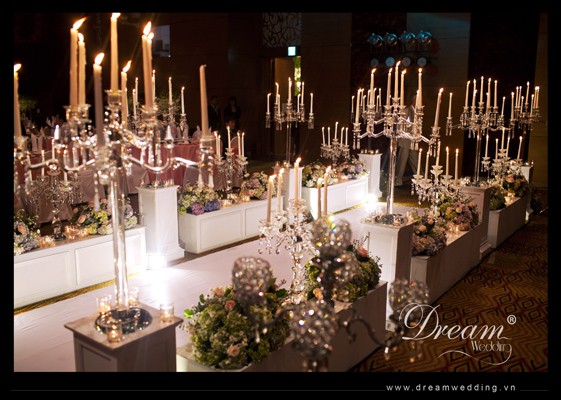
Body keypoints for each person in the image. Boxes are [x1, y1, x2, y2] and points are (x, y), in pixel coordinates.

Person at [395, 93, 420, 187]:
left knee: (415, 160)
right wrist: (400, 137)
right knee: (402, 161)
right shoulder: (406, 110)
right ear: (414, 101)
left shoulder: (417, 112)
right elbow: (401, 125)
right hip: (405, 140)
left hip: (413, 141)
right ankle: (397, 179)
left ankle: (420, 179)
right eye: (417, 100)